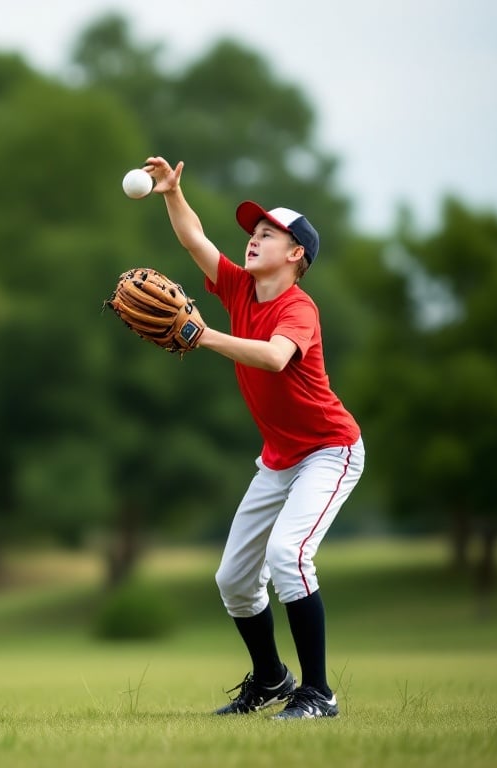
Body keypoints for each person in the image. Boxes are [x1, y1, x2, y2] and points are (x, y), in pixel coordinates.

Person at [143, 156, 365, 719]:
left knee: (289, 555)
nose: (253, 239)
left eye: (268, 234)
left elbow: (273, 357)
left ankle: (318, 694)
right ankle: (270, 679)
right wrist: (172, 192)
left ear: (296, 255)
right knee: (235, 580)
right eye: (253, 233)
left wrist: (204, 335)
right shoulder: (240, 288)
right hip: (279, 458)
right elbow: (195, 239)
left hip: (329, 450)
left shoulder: (299, 308)